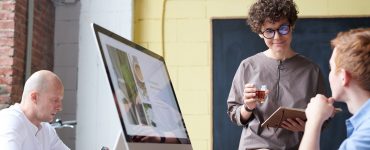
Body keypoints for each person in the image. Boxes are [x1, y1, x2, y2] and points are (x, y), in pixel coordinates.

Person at [226, 0, 326, 149]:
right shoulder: (247, 66)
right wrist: (247, 107)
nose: (277, 37)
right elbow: (234, 112)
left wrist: (306, 126)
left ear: (291, 27)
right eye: (269, 31)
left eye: (283, 28)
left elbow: (323, 117)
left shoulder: (311, 70)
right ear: (260, 33)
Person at [299, 28, 370, 150]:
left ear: (343, 77)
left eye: (331, 68)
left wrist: (313, 122)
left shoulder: (359, 142)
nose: (330, 74)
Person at [0, 70, 70, 150]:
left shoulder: (46, 129)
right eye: (55, 100)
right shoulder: (10, 121)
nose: (60, 107)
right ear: (34, 97)